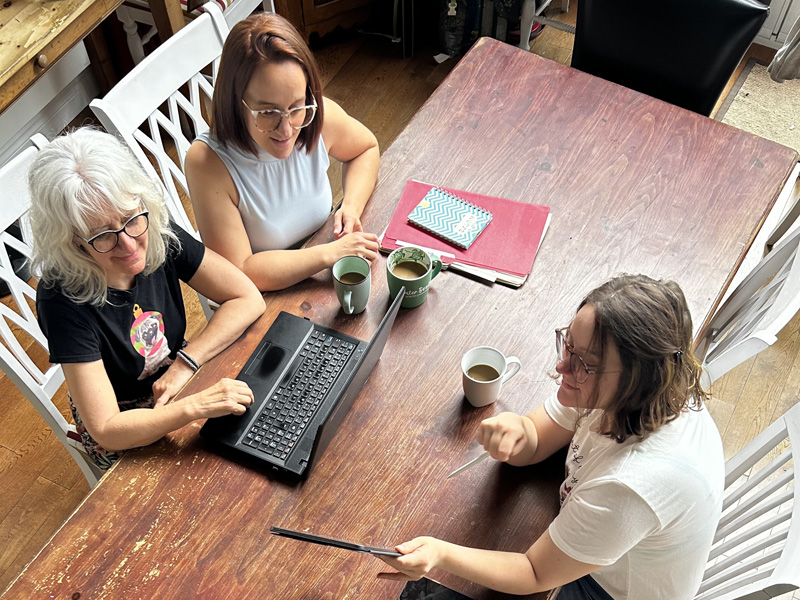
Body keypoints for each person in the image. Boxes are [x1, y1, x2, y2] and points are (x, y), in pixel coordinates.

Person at [377, 275, 725, 599]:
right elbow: (538, 436)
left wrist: (439, 553)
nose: (563, 368)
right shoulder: (636, 391)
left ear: (639, 380)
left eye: (585, 364)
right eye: (567, 345)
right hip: (598, 547)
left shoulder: (629, 485)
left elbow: (533, 573)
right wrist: (518, 431)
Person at [30, 128, 266, 470]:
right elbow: (107, 429)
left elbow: (247, 297)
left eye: (130, 220)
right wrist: (191, 408)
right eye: (102, 237)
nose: (128, 244)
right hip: (123, 417)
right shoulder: (61, 297)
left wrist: (187, 362)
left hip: (177, 372)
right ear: (74, 242)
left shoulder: (151, 227)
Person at [185, 11, 381, 292]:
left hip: (321, 281)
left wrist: (351, 207)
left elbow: (366, 148)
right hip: (265, 300)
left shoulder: (315, 117)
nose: (287, 130)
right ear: (234, 102)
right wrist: (329, 254)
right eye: (268, 112)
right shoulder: (207, 163)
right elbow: (240, 271)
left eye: (297, 107)